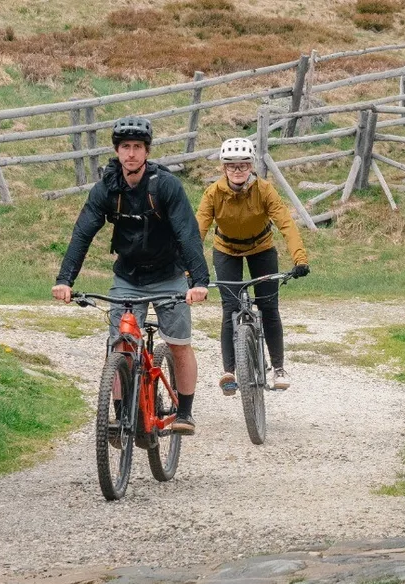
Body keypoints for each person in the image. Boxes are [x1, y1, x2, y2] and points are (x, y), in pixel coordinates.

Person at [53, 116, 210, 434]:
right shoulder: (107, 189)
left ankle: (185, 413)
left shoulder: (165, 186)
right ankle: (120, 418)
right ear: (117, 151)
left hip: (169, 275)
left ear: (147, 152)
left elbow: (187, 233)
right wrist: (64, 280)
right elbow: (82, 232)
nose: (131, 153)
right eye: (125, 147)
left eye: (137, 147)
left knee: (178, 343)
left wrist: (199, 282)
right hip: (128, 277)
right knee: (121, 346)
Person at [195, 137, 310, 395]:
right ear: (223, 168)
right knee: (230, 308)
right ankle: (229, 371)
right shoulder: (213, 193)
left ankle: (279, 368)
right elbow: (197, 230)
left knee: (268, 306)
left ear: (251, 166)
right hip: (227, 250)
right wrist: (189, 268)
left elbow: (286, 224)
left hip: (261, 249)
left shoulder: (264, 190)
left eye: (244, 165)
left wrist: (299, 258)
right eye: (232, 166)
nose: (238, 170)